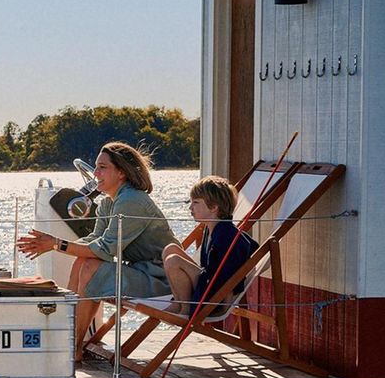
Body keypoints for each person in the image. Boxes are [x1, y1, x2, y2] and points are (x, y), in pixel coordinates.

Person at [17, 142, 177, 360]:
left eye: (102, 167)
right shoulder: (108, 203)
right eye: (96, 167)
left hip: (162, 281)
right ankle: (70, 340)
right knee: (82, 262)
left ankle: (73, 346)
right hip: (141, 272)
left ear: (121, 172)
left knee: (91, 266)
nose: (95, 173)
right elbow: (94, 240)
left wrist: (56, 244)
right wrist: (54, 243)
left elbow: (105, 249)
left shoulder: (132, 201)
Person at [161, 175, 259, 317]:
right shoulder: (211, 228)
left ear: (213, 207)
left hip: (215, 296)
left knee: (173, 260)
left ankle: (186, 308)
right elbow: (253, 246)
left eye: (195, 202)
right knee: (170, 249)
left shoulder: (226, 234)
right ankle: (178, 302)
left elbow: (230, 274)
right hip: (207, 282)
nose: (190, 207)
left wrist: (225, 299)